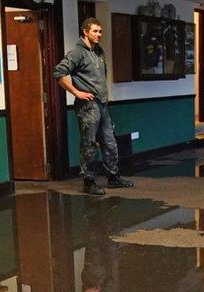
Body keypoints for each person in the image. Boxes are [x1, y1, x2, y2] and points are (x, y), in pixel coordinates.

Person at [54, 18, 133, 196]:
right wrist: (76, 92)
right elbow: (59, 72)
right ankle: (88, 181)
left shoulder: (99, 52)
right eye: (95, 31)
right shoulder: (77, 53)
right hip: (87, 106)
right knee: (89, 144)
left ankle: (113, 177)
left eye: (100, 31)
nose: (99, 35)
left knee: (110, 143)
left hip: (102, 104)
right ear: (85, 32)